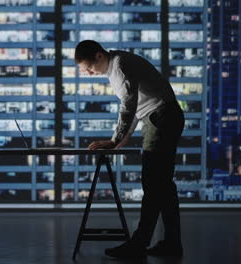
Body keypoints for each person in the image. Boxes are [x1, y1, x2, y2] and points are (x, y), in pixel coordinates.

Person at [75, 40, 185, 259]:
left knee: (153, 183)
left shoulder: (120, 66)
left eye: (88, 67)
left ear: (99, 56)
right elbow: (136, 107)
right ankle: (171, 243)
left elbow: (129, 104)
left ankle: (139, 244)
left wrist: (115, 139)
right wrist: (123, 137)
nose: (88, 73)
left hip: (160, 118)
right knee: (163, 187)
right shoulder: (117, 66)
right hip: (161, 117)